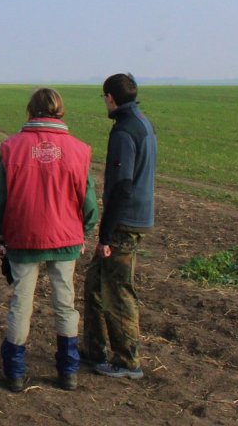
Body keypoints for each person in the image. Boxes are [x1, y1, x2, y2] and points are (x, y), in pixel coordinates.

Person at [0, 88, 97, 392]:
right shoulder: (79, 149)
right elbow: (89, 201)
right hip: (66, 237)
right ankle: (68, 372)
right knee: (65, 303)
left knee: (22, 302)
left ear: (31, 110)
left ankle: (16, 373)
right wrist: (83, 231)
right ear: (60, 111)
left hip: (22, 237)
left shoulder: (12, 148)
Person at [83, 73, 156, 380]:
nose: (105, 103)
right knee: (94, 284)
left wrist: (106, 234)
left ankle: (127, 361)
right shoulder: (142, 122)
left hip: (124, 223)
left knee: (117, 291)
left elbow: (122, 185)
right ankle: (94, 350)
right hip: (133, 218)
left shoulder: (124, 131)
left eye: (104, 98)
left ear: (110, 97)